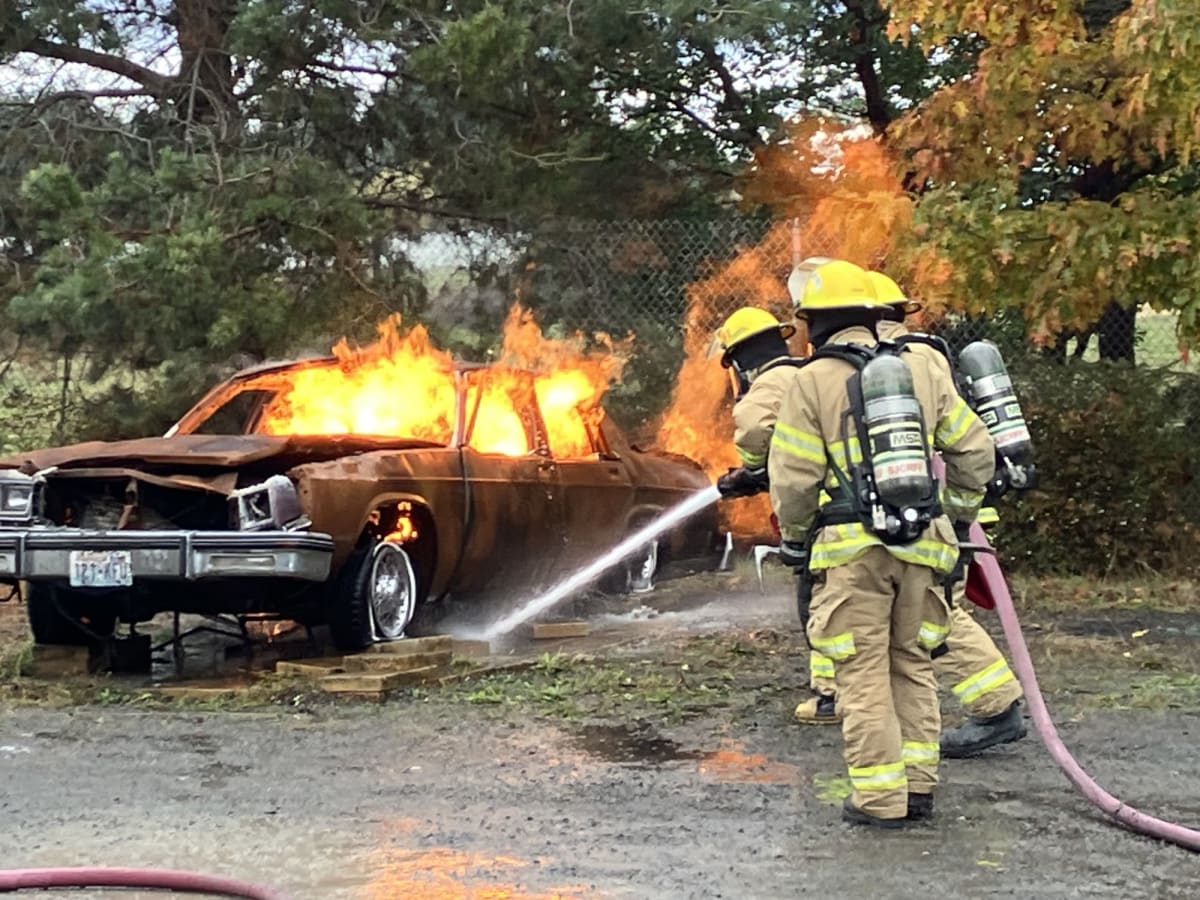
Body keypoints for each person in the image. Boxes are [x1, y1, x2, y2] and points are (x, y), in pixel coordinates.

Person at [768, 259, 995, 827]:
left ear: (816, 322)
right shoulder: (922, 368)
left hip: (853, 554)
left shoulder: (810, 380)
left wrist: (795, 539)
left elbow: (794, 477)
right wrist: (958, 517)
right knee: (913, 664)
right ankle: (917, 789)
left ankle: (879, 798)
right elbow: (975, 451)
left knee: (862, 672)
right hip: (926, 545)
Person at [868, 270, 1027, 756]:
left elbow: (960, 444)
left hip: (931, 510)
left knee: (932, 611)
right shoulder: (923, 352)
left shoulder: (896, 363)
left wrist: (955, 521)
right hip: (950, 504)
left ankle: (997, 707)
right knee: (929, 609)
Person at [711, 307, 800, 500]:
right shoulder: (801, 372)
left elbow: (754, 429)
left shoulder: (769, 383)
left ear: (741, 361)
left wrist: (752, 470)